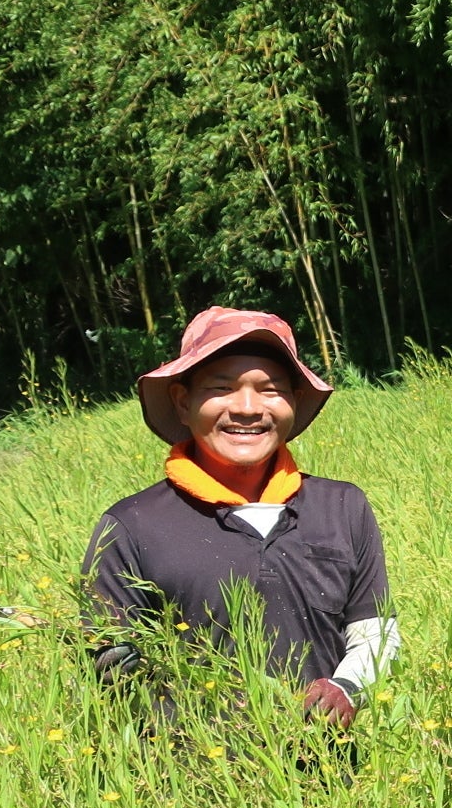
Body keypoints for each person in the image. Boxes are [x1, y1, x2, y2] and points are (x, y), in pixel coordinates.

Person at [85, 307, 397, 729]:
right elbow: (108, 665)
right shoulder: (132, 526)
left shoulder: (342, 507)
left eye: (270, 390)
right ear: (183, 402)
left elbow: (375, 633)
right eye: (222, 388)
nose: (248, 408)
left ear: (294, 401)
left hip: (328, 761)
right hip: (192, 765)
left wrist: (346, 688)